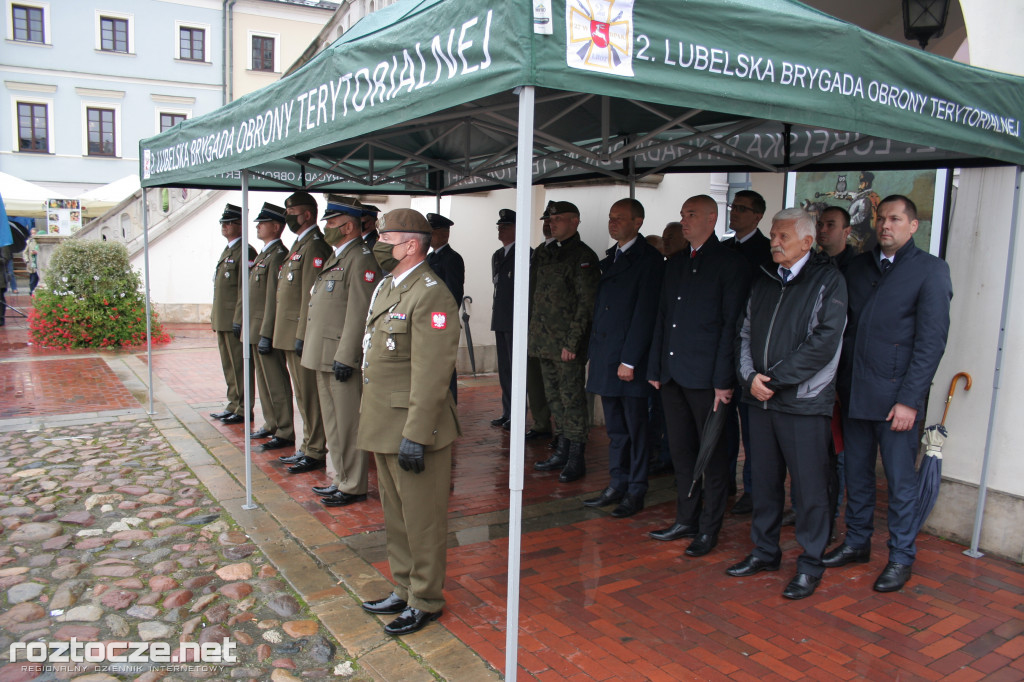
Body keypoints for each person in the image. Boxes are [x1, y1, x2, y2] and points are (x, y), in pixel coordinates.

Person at [825, 195, 953, 593]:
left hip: (897, 400)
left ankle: (901, 557)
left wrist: (910, 400)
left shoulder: (930, 271)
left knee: (900, 484)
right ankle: (857, 542)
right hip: (855, 392)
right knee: (858, 477)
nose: (885, 226)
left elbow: (931, 343)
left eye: (895, 219)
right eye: (882, 219)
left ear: (913, 226)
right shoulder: (860, 266)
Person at [727, 208, 848, 600]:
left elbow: (824, 343)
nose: (773, 242)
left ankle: (811, 563)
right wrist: (750, 379)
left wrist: (773, 381)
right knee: (763, 481)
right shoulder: (764, 278)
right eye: (774, 236)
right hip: (761, 400)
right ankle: (765, 551)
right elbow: (744, 332)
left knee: (809, 490)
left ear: (807, 243)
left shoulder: (828, 281)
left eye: (781, 236)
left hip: (803, 404)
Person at [358, 208, 460, 636]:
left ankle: (426, 599)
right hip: (384, 420)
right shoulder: (390, 285)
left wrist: (417, 434)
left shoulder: (431, 293)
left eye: (387, 237)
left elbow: (433, 372)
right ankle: (403, 586)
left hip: (415, 427)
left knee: (423, 520)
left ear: (412, 244)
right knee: (397, 517)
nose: (379, 244)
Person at [647, 195, 750, 557]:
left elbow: (730, 326)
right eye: (682, 214)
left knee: (715, 456)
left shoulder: (728, 263)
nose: (684, 220)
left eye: (691, 214)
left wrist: (724, 380)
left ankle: (709, 527)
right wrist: (657, 368)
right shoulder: (674, 264)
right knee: (682, 451)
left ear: (712, 217)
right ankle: (686, 518)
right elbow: (662, 318)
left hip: (708, 379)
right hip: (673, 375)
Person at [584, 199, 664, 517]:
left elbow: (644, 314)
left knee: (636, 429)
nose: (613, 222)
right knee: (615, 430)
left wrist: (629, 360)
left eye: (620, 218)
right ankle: (617, 482)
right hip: (607, 356)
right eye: (610, 217)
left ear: (638, 222)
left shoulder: (649, 260)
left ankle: (636, 489)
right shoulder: (613, 256)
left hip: (629, 361)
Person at [301, 196, 380, 507]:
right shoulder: (339, 257)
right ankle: (342, 478)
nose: (326, 228)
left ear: (348, 226)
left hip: (340, 356)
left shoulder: (360, 258)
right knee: (333, 423)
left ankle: (353, 483)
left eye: (331, 223)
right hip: (324, 353)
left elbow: (360, 311)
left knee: (347, 423)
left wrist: (347, 355)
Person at [529, 201, 600, 482]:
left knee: (572, 401)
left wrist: (572, 342)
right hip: (544, 342)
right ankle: (561, 448)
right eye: (550, 218)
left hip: (566, 346)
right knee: (555, 399)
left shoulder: (582, 256)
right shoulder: (545, 253)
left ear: (575, 221)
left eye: (558, 218)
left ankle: (575, 457)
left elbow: (586, 304)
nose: (552, 223)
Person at [272, 192, 331, 474]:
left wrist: (302, 334)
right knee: (301, 395)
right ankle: (308, 444)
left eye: (292, 211)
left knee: (309, 394)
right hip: (289, 331)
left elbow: (311, 296)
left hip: (301, 333)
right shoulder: (299, 244)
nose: (288, 216)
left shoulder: (315, 246)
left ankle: (316, 448)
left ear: (307, 214)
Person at [721, 190, 771, 516]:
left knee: (753, 431)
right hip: (722, 348)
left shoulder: (766, 252)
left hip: (750, 352)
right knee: (723, 424)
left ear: (757, 216)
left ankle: (753, 490)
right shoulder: (723, 249)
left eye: (742, 209)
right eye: (732, 207)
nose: (734, 212)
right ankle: (724, 481)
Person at [246, 203, 295, 452]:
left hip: (266, 328)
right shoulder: (266, 254)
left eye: (262, 223)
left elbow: (271, 298)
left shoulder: (276, 254)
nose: (257, 226)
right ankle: (271, 422)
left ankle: (285, 428)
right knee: (264, 381)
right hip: (256, 327)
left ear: (276, 227)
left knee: (275, 381)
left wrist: (267, 332)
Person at [209, 204, 256, 425]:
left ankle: (243, 408)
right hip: (222, 319)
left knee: (239, 366)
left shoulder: (245, 251)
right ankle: (233, 403)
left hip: (234, 320)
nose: (225, 226)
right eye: (223, 222)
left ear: (240, 225)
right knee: (229, 366)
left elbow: (243, 290)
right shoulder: (228, 250)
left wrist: (239, 318)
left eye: (229, 222)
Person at [490, 209, 525, 429]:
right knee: (504, 370)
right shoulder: (498, 255)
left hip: (516, 321)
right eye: (499, 226)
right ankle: (507, 411)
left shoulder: (524, 254)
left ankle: (518, 413)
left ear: (516, 229)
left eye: (505, 226)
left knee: (516, 370)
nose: (500, 229)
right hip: (501, 318)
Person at [525, 201, 556, 442]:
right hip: (533, 326)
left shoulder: (566, 251)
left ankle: (563, 432)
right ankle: (541, 422)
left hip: (555, 331)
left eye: (552, 221)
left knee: (555, 384)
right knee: (534, 379)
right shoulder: (538, 251)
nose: (548, 225)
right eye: (545, 221)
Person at [426, 212, 465, 404]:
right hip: (427, 321)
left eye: (432, 232)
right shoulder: (429, 258)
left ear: (445, 234)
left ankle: (449, 406)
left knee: (445, 366)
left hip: (441, 322)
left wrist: (442, 320)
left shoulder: (452, 259)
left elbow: (453, 295)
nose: (429, 236)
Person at [816, 206, 856, 272]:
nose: (822, 230)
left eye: (830, 225)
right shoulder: (809, 263)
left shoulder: (859, 267)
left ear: (846, 231)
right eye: (820, 224)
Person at [26, 228, 40, 295]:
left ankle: (35, 291)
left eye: (34, 233)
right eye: (31, 233)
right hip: (32, 264)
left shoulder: (39, 241)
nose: (32, 234)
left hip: (39, 263)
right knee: (32, 280)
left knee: (37, 279)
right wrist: (27, 261)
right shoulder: (29, 241)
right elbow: (25, 252)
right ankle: (32, 291)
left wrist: (37, 252)